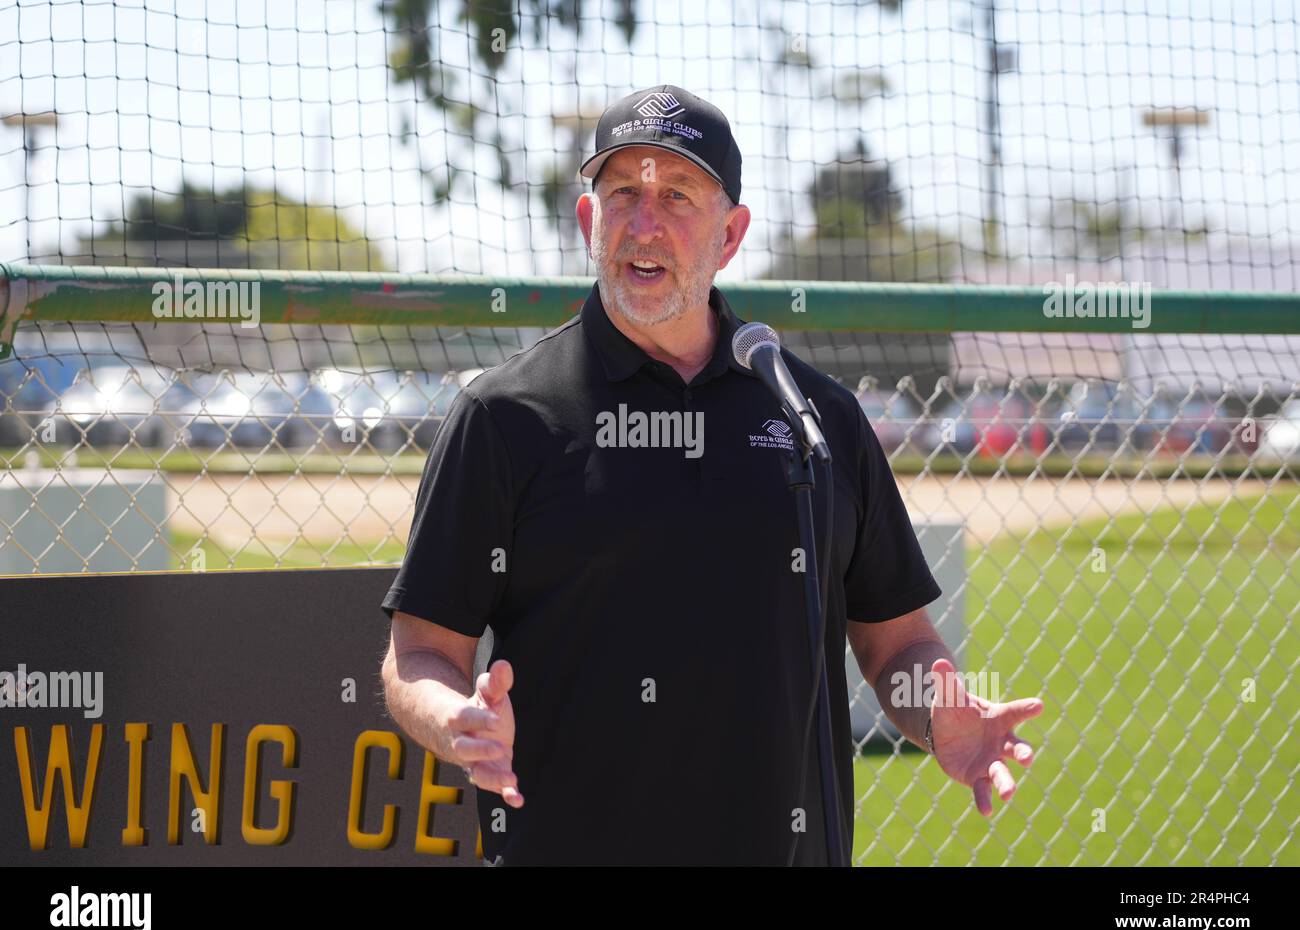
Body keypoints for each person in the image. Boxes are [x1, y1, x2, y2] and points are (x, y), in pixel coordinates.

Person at [380, 84, 1043, 865]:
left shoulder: (814, 418)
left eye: (678, 195)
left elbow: (896, 638)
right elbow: (418, 651)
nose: (645, 221)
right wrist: (453, 720)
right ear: (591, 222)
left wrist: (933, 708)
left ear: (730, 236)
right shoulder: (503, 418)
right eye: (623, 191)